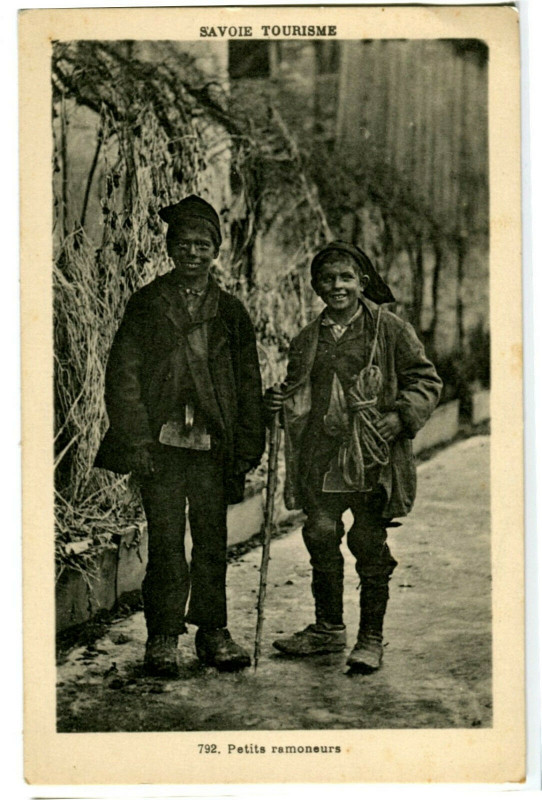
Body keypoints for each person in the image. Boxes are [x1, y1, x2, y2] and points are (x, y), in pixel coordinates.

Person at [95, 195, 265, 676]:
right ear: (170, 248)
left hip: (213, 447)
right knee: (167, 542)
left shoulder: (230, 312)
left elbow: (248, 383)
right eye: (183, 243)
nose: (192, 252)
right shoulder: (148, 303)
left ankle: (213, 632)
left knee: (212, 541)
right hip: (162, 448)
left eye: (202, 244)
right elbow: (123, 375)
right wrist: (137, 440)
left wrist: (247, 447)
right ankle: (163, 635)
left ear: (216, 251)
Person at [264, 241, 442, 672]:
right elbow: (298, 391)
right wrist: (277, 401)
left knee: (367, 540)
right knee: (320, 532)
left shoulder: (390, 329)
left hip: (373, 457)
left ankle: (370, 638)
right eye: (327, 279)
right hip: (322, 455)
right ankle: (328, 628)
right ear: (316, 287)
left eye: (346, 277)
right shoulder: (308, 338)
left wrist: (401, 417)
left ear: (362, 282)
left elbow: (426, 380)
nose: (337, 286)